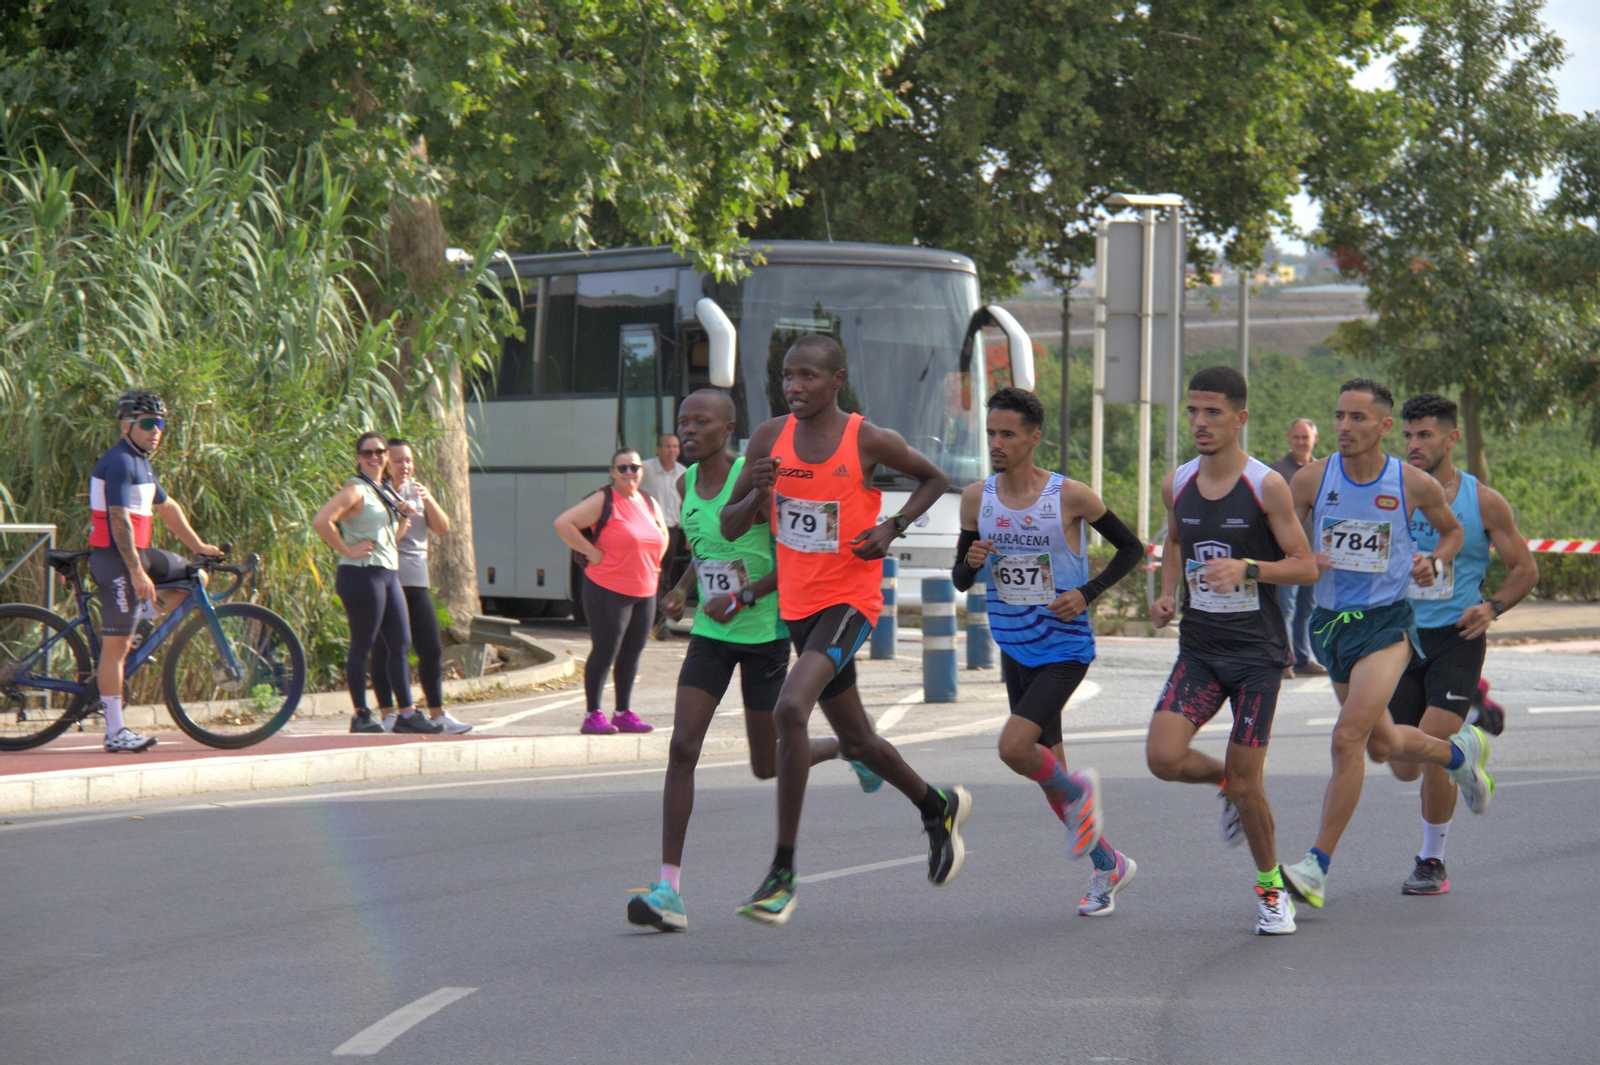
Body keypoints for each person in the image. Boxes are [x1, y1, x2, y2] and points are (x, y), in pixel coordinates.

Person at [720, 334, 970, 926]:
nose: (795, 387)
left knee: (790, 709)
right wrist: (756, 488)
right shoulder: (767, 439)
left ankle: (782, 872)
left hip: (851, 601)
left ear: (837, 381)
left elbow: (932, 479)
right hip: (800, 609)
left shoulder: (867, 439)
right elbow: (732, 528)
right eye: (787, 376)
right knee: (857, 742)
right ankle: (936, 806)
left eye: (808, 376)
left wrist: (892, 528)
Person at [627, 390, 882, 932]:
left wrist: (743, 596)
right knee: (681, 746)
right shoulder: (685, 483)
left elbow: (793, 557)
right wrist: (683, 588)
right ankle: (668, 889)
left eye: (701, 422)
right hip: (710, 634)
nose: (689, 431)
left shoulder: (763, 473)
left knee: (767, 764)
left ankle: (846, 746)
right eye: (682, 422)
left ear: (729, 428)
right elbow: (706, 546)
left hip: (765, 633)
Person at [1281, 379, 1494, 910]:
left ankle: (1315, 867)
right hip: (1331, 628)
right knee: (1383, 747)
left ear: (1382, 427)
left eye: (1357, 418)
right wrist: (1302, 558)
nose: (1344, 427)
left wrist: (1434, 560)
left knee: (1347, 737)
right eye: (1339, 416)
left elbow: (1453, 534)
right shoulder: (1311, 479)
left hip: (1386, 627)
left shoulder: (1412, 483)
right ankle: (1456, 753)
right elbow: (1278, 536)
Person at [953, 387, 1144, 916]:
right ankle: (1109, 866)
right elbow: (959, 579)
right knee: (1046, 778)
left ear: (1034, 439)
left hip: (1064, 647)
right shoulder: (977, 499)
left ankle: (1081, 792)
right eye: (991, 432)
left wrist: (1088, 593)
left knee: (1015, 748)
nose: (996, 442)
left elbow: (1131, 548)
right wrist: (970, 560)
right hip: (1014, 646)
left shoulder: (1071, 497)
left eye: (1008, 434)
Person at [1147, 367, 1319, 935]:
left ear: (1240, 418)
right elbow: (1175, 540)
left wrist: (1247, 567)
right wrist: (1169, 592)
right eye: (1193, 411)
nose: (1200, 422)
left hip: (1255, 656)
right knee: (1163, 759)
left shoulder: (1265, 485)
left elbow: (1304, 565)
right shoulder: (1178, 482)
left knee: (1252, 785)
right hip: (1198, 648)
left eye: (1213, 412)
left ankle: (1272, 891)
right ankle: (1229, 785)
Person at [1386, 393, 1537, 894]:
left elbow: (1525, 569)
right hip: (1398, 640)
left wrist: (1491, 607)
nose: (1413, 445)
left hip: (1457, 638)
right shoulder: (1390, 491)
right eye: (1407, 435)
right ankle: (1468, 743)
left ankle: (1432, 860)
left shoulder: (1483, 501)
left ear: (1452, 438)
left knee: (1430, 754)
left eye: (1425, 434)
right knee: (1401, 763)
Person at [88, 390, 224, 753]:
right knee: (115, 649)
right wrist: (135, 572)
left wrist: (199, 548)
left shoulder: (141, 460)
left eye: (160, 424)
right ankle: (115, 733)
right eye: (148, 423)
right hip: (115, 558)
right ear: (126, 425)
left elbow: (167, 507)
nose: (156, 431)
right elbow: (118, 520)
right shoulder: (119, 461)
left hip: (141, 553)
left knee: (195, 578)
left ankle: (142, 616)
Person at [313, 433, 442, 735]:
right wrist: (347, 549)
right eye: (367, 453)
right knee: (363, 644)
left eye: (380, 452)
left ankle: (406, 713)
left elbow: (388, 540)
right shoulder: (355, 488)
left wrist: (403, 521)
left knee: (400, 642)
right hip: (361, 573)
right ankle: (360, 714)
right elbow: (322, 521)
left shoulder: (382, 489)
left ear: (386, 456)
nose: (374, 458)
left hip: (387, 571)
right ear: (358, 457)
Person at [554, 448, 669, 735]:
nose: (629, 473)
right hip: (607, 587)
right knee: (606, 649)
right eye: (622, 468)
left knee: (632, 651)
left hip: (645, 588)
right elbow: (563, 523)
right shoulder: (604, 499)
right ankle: (593, 714)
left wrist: (655, 559)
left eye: (634, 467)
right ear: (613, 472)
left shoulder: (648, 501)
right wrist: (591, 552)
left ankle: (622, 712)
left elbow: (662, 533)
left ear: (642, 471)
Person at [370, 438, 473, 735]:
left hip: (418, 581)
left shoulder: (417, 490)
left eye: (409, 461)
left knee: (431, 648)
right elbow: (385, 538)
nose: (406, 466)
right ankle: (389, 714)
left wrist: (427, 499)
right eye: (399, 460)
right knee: (386, 649)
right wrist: (402, 512)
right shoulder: (381, 493)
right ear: (387, 462)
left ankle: (438, 713)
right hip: (389, 579)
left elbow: (442, 527)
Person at [1267, 418, 1324, 677]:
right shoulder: (1276, 471)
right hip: (1288, 554)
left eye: (1306, 437)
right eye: (1297, 437)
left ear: (1315, 439)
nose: (1301, 442)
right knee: (1284, 608)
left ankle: (1303, 659)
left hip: (1315, 554)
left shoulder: (1323, 471)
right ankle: (1283, 659)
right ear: (1289, 439)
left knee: (1307, 610)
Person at [641, 433, 688, 638]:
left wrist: (688, 533)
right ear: (658, 449)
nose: (672, 451)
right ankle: (654, 622)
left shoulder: (683, 472)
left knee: (666, 576)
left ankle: (660, 621)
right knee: (653, 576)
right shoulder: (645, 470)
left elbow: (687, 504)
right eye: (668, 447)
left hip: (673, 531)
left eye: (676, 447)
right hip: (650, 530)